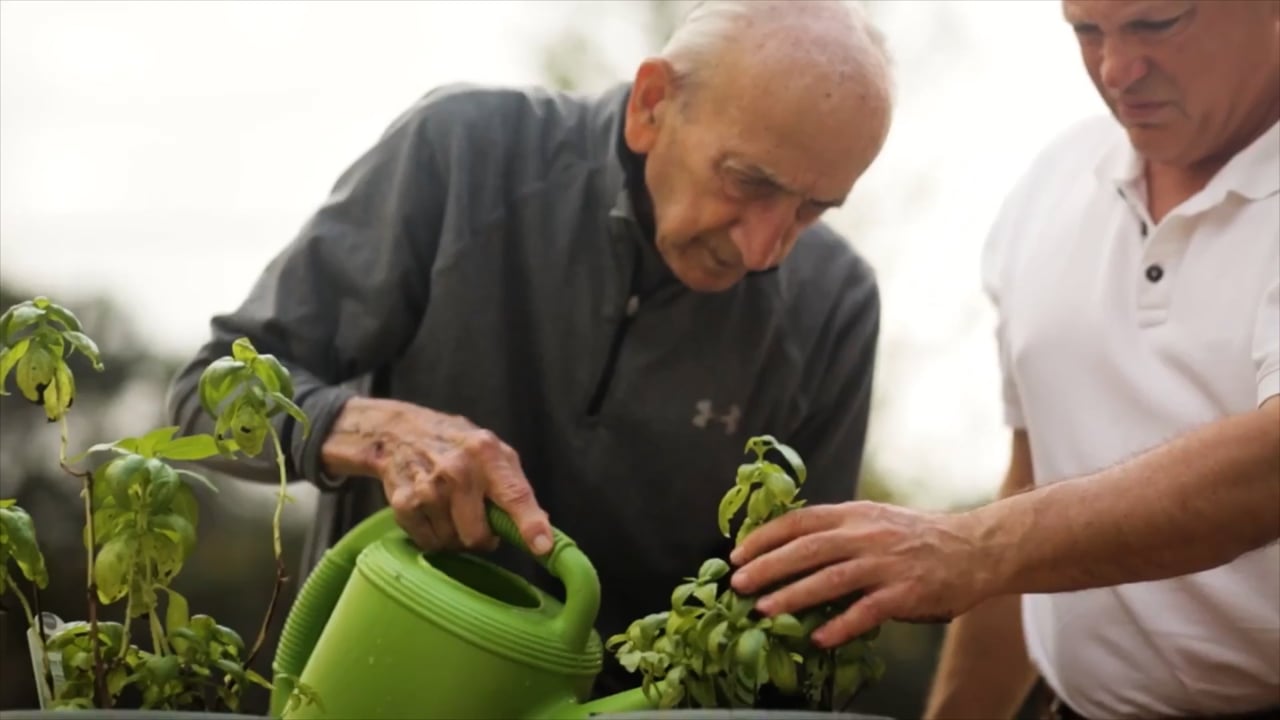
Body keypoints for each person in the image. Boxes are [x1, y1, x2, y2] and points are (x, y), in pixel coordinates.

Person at [166, 0, 894, 700]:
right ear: (651, 106)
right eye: (748, 182)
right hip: (374, 680)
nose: (765, 250)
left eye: (813, 208)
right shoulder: (461, 155)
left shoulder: (836, 305)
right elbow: (203, 397)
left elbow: (796, 625)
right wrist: (366, 431)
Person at [729, 0, 1280, 718]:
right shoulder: (1053, 183)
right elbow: (1029, 490)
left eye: (1158, 24)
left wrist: (974, 547)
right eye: (1087, 30)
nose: (1116, 69)